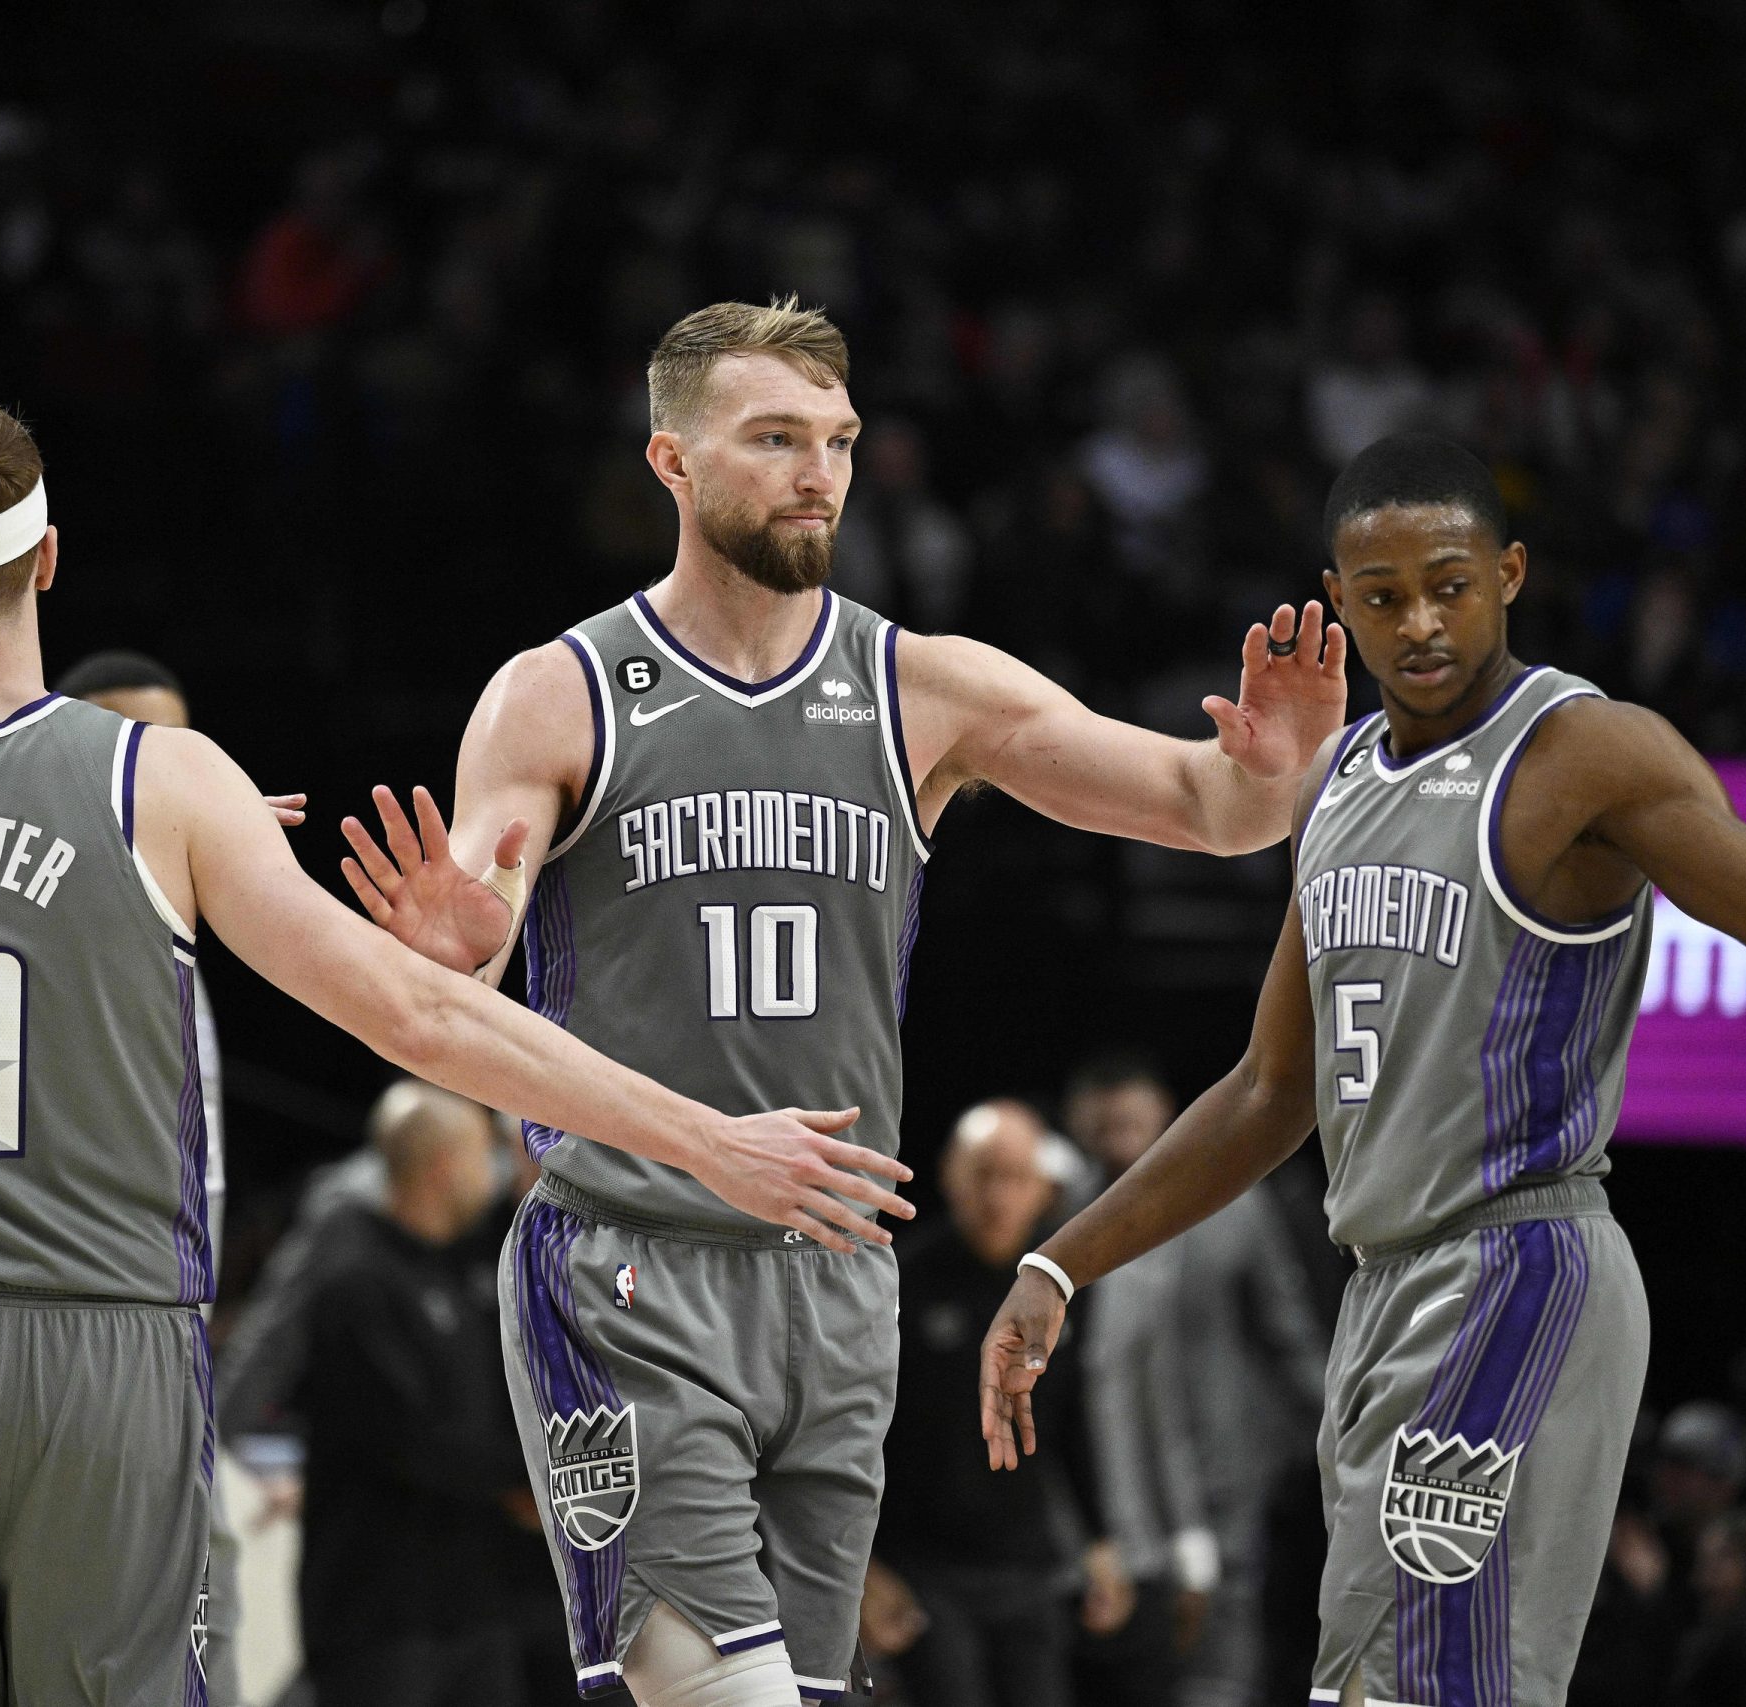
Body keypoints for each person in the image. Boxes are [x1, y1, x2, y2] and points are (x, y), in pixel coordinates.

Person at [981, 431, 1746, 1707]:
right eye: (1383, 596)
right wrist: (1065, 1260)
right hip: (1386, 1293)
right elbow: (1269, 1091)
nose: (1421, 622)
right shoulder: (1334, 781)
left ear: (1509, 573)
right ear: (1337, 603)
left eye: (1449, 583)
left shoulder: (1583, 752)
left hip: (1516, 1269)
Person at [0, 398, 913, 1705]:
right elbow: (422, 1017)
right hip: (104, 1338)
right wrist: (710, 1139)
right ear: (49, 558)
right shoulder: (169, 782)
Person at [338, 298, 1345, 1706]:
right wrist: (458, 938)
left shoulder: (917, 682)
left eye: (840, 440)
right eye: (775, 439)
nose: (820, 471)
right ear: (673, 463)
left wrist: (1272, 775)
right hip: (631, 1260)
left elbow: (1205, 805)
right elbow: (469, 968)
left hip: (836, 1275)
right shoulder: (560, 693)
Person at [54, 644, 289, 1706]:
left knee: (209, 1618)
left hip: (172, 1325)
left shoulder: (183, 924)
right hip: (75, 1334)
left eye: (180, 754)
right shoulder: (45, 924)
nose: (168, 780)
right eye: (133, 758)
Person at [1063, 1054, 1323, 1707]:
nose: (1116, 1129)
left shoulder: (1233, 1199)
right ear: (1079, 1124)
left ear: (1165, 1117)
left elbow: (1284, 1327)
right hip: (1110, 1472)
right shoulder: (1063, 1210)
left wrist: (1333, 1422)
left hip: (1224, 1460)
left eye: (1131, 1115)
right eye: (1103, 1120)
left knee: (1222, 1634)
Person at [291, 1079, 554, 1707]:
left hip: (472, 1606)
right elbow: (411, 1444)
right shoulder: (356, 1283)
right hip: (377, 1616)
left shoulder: (463, 1272)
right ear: (443, 1165)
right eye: (479, 1152)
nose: (491, 1169)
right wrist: (533, 1480)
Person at [873, 1101, 1125, 1707]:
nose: (999, 1196)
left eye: (1016, 1177)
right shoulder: (901, 1282)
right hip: (927, 1573)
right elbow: (860, 1437)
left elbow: (1074, 1419)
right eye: (983, 1174)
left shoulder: (1060, 1292)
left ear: (1045, 1188)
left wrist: (1100, 1540)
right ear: (951, 1177)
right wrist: (866, 1567)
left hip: (1029, 1566)